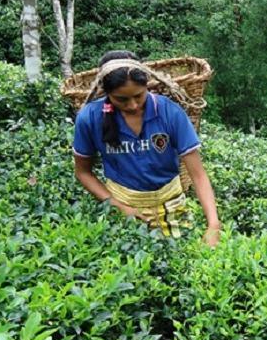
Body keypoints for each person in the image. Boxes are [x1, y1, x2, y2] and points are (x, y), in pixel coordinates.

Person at [72, 50, 221, 247]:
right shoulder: (90, 118)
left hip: (171, 204)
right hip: (121, 205)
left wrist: (213, 225)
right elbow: (83, 172)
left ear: (147, 85)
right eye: (121, 99)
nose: (132, 105)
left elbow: (198, 175)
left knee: (182, 255)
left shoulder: (169, 112)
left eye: (138, 96)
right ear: (106, 93)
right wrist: (119, 207)